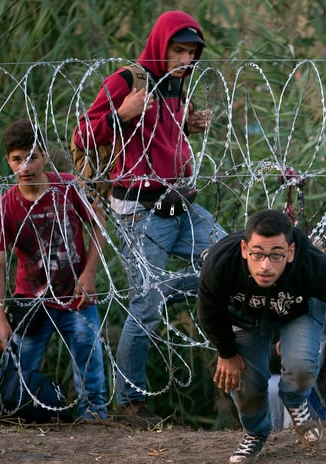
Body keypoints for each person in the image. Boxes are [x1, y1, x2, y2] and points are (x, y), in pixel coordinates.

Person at [74, 10, 226, 427]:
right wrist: (122, 113)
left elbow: (160, 136)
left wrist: (190, 127)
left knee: (230, 261)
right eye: (179, 50)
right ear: (161, 45)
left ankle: (161, 291)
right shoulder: (126, 81)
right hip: (141, 210)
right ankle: (130, 403)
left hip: (181, 203)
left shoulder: (178, 83)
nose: (185, 60)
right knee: (146, 309)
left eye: (192, 53)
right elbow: (82, 135)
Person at [197, 209, 326, 464]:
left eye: (276, 255)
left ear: (290, 252)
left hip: (299, 311)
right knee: (245, 383)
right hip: (244, 318)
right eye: (257, 254)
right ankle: (256, 432)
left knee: (301, 367)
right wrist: (226, 352)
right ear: (244, 249)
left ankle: (296, 400)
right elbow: (208, 311)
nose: (265, 266)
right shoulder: (222, 262)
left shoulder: (310, 263)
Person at [0, 119, 107, 420]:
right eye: (17, 159)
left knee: (91, 378)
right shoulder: (4, 209)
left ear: (43, 157)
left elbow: (98, 223)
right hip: (31, 302)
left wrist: (89, 273)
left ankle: (94, 428)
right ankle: (20, 424)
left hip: (76, 298)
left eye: (32, 157)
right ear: (9, 161)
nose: (25, 166)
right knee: (17, 380)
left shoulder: (66, 186)